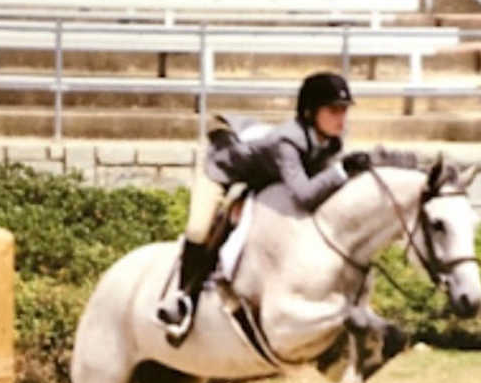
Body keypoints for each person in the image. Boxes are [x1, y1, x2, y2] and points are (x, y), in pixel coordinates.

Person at [156, 71, 371, 344]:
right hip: (221, 171)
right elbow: (306, 194)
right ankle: (181, 299)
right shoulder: (288, 143)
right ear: (310, 112)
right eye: (334, 110)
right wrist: (341, 171)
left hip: (263, 176)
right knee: (198, 229)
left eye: (344, 110)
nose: (342, 118)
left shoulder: (329, 142)